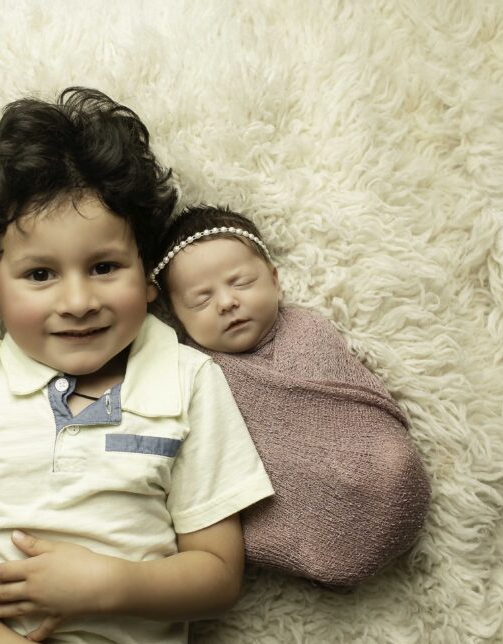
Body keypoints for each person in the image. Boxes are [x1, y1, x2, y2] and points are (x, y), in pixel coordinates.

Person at [0, 88, 274, 644]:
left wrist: (107, 584)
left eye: (105, 267)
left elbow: (217, 576)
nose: (79, 302)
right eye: (40, 274)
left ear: (147, 275)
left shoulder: (188, 381)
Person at [150, 205, 432, 587]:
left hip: (385, 473)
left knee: (391, 461)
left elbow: (355, 410)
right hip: (296, 510)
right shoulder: (195, 372)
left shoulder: (309, 331)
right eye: (201, 300)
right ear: (177, 320)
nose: (226, 302)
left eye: (241, 282)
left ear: (275, 281)